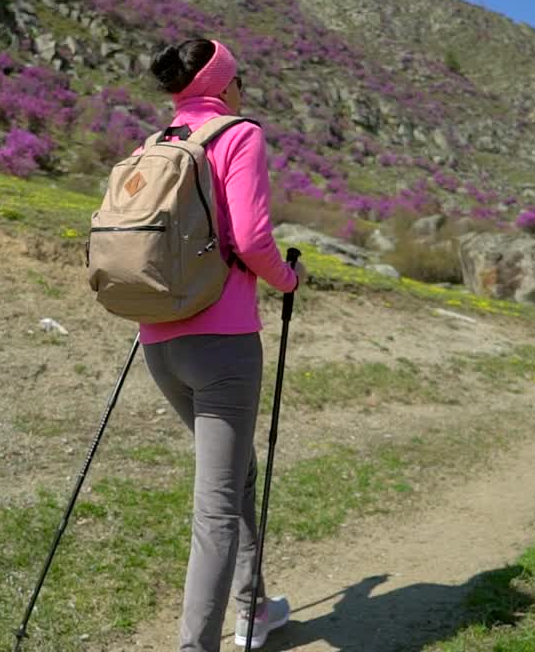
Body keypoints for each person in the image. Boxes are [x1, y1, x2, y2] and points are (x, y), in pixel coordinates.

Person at [140, 38, 307, 651]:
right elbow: (253, 239)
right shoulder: (239, 134)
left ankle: (255, 607)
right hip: (224, 345)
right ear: (226, 84)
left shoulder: (159, 143)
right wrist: (289, 280)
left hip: (158, 342)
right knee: (215, 507)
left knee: (234, 476)